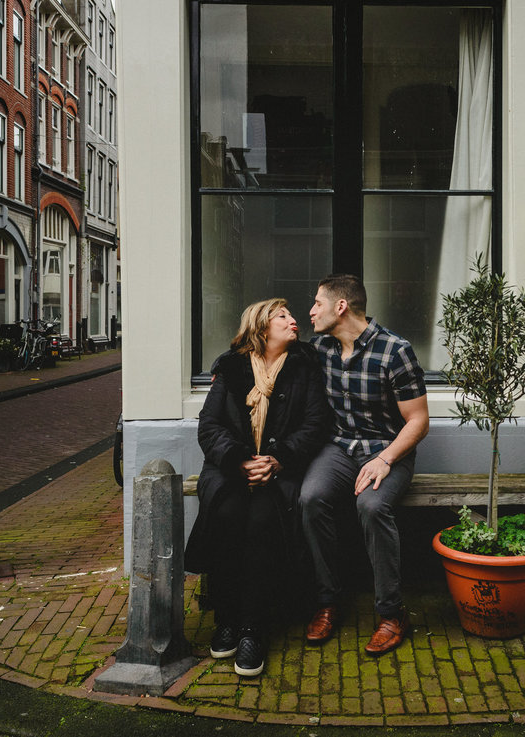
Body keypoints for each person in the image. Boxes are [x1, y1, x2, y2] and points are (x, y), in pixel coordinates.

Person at [184, 298, 331, 677]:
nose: (294, 320)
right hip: (232, 470)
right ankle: (227, 619)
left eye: (293, 315)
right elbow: (209, 426)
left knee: (263, 522)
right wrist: (239, 460)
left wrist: (278, 459)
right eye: (283, 316)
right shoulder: (231, 367)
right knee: (229, 515)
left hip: (279, 472)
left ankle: (252, 627)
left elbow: (316, 425)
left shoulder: (305, 366)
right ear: (262, 326)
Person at [299, 274, 430, 656]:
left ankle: (391, 614)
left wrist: (385, 459)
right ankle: (328, 601)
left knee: (371, 506)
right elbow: (270, 353)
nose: (310, 311)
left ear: (341, 307)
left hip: (390, 451)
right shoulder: (319, 348)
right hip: (339, 448)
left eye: (317, 304)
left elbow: (419, 422)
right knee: (310, 499)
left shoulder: (395, 351)